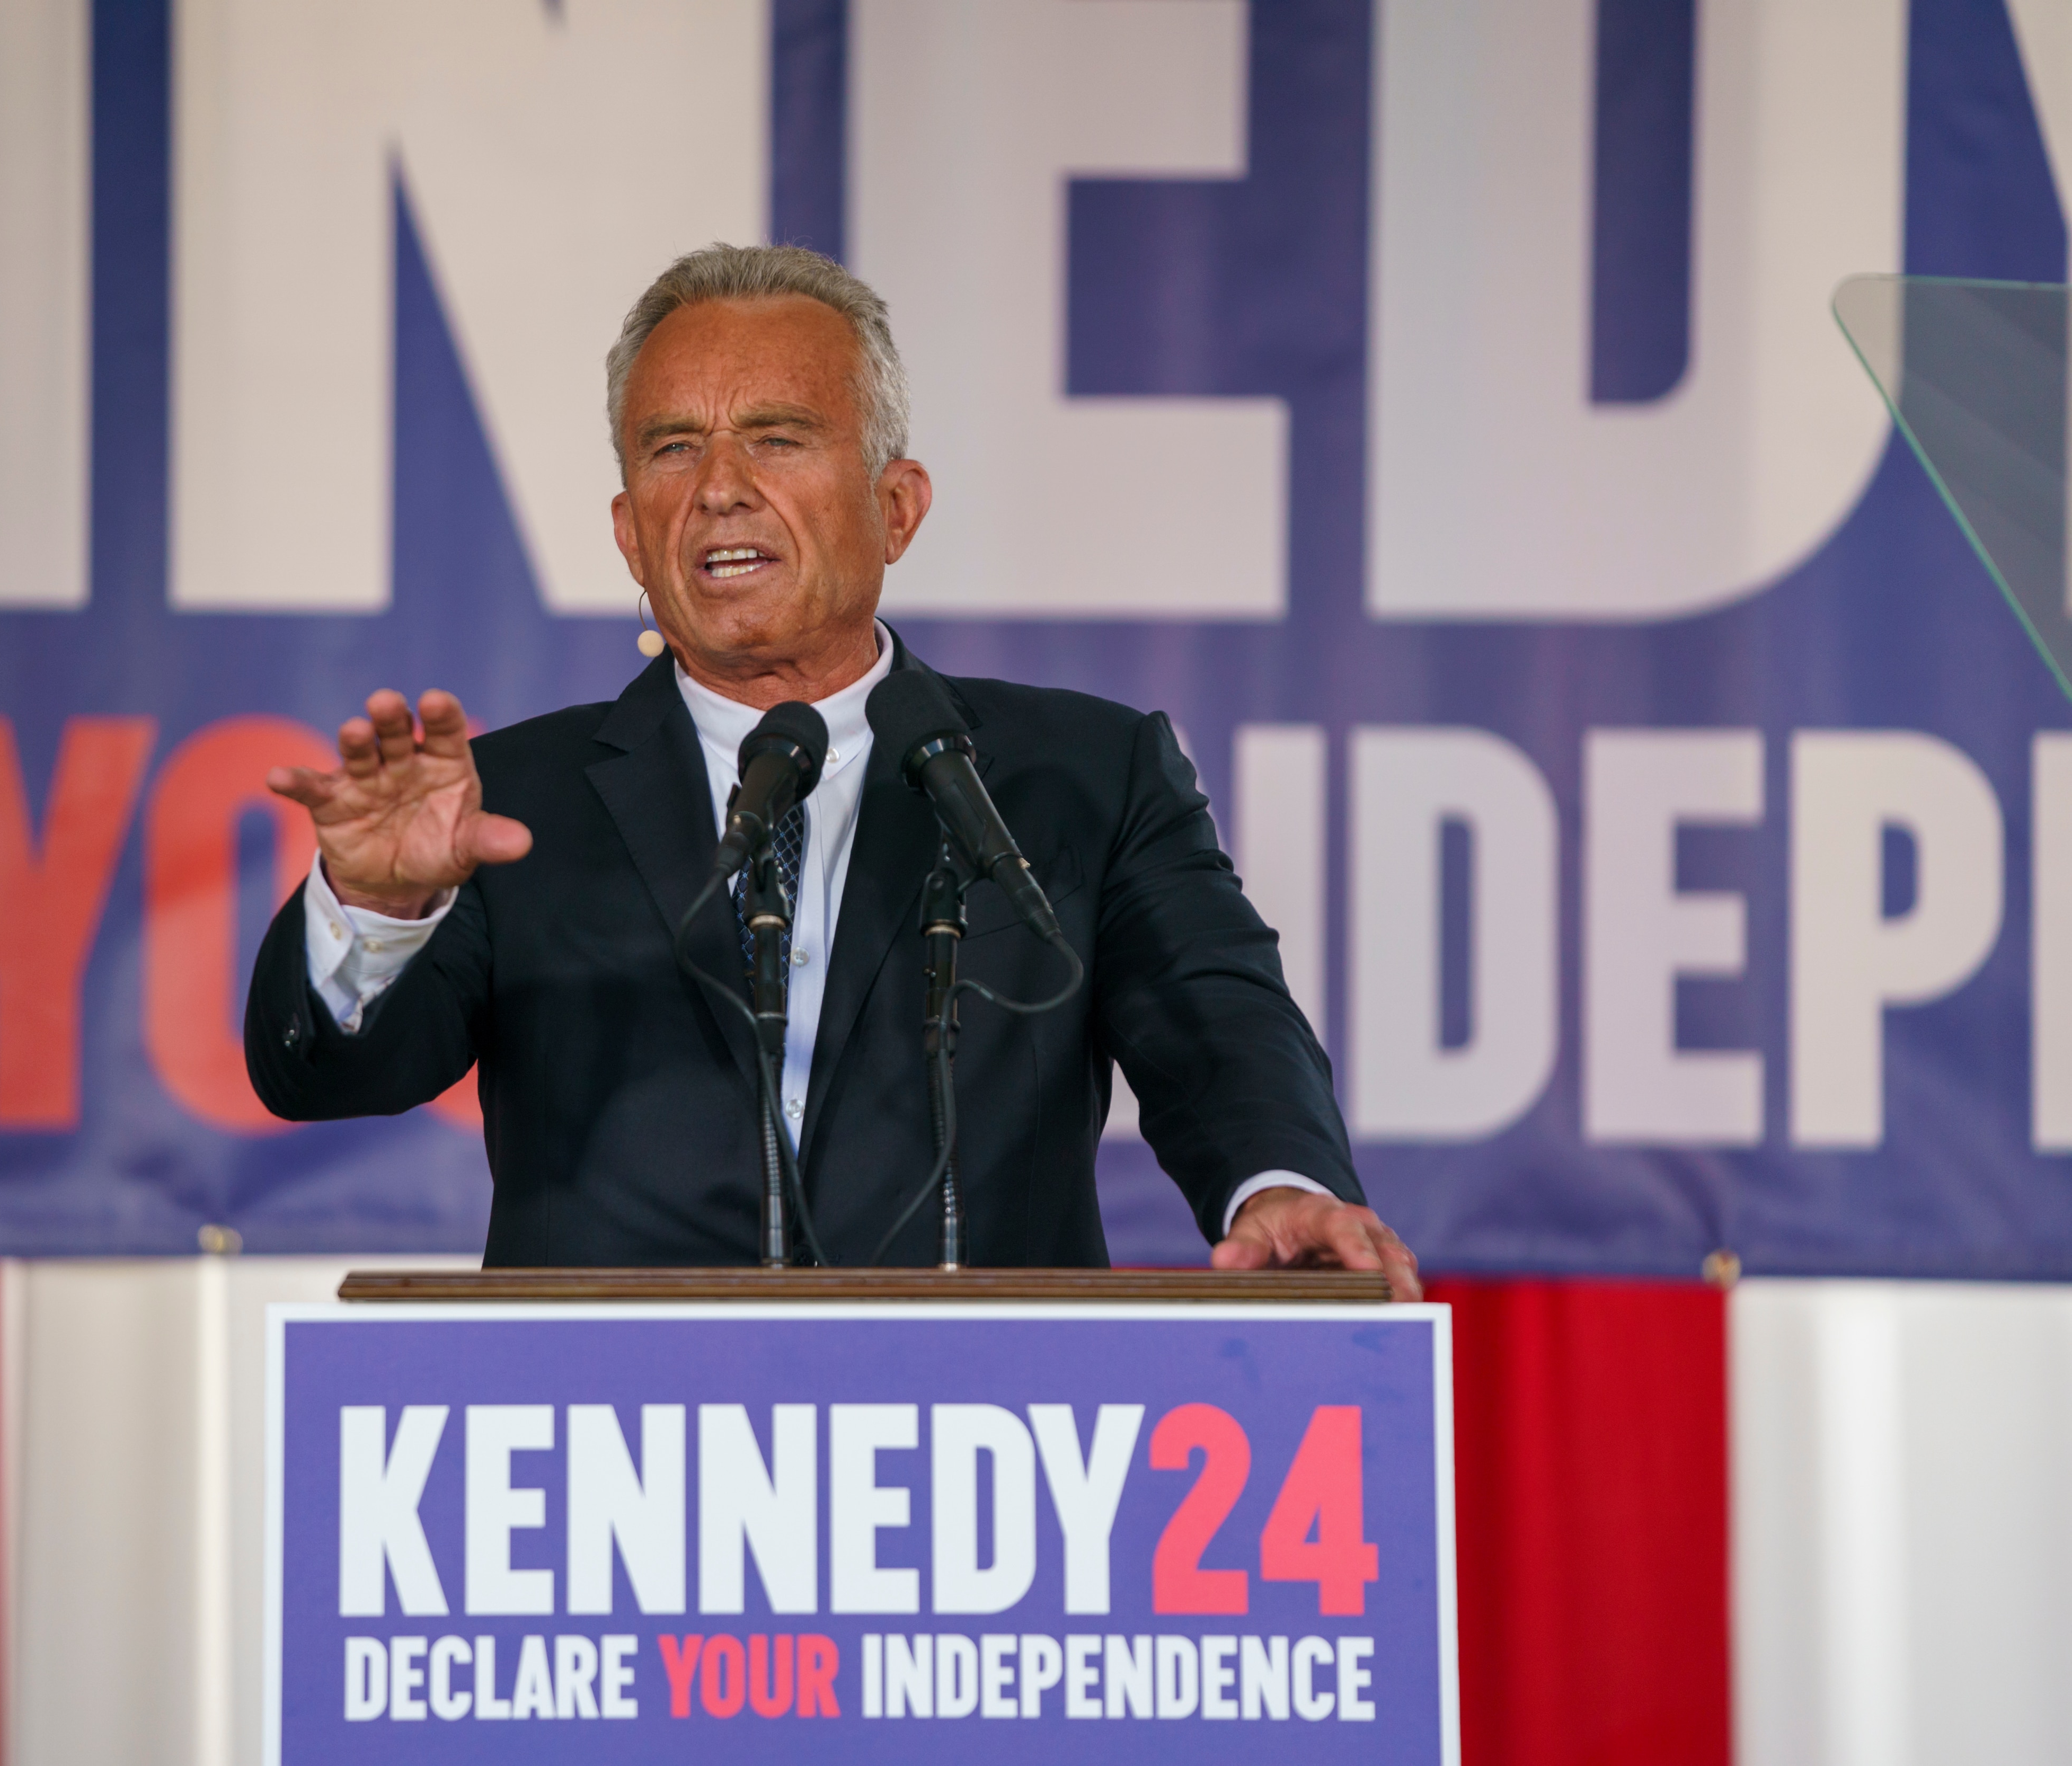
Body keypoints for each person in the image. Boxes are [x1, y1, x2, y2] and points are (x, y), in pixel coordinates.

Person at [245, 244, 1417, 1297]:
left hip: (981, 1444)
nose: (717, 486)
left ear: (895, 508)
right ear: (626, 530)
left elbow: (1216, 1019)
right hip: (611, 1460)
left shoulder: (1083, 774)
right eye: (672, 447)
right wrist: (381, 906)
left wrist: (1277, 1186)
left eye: (776, 436)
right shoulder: (511, 802)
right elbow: (326, 1076)